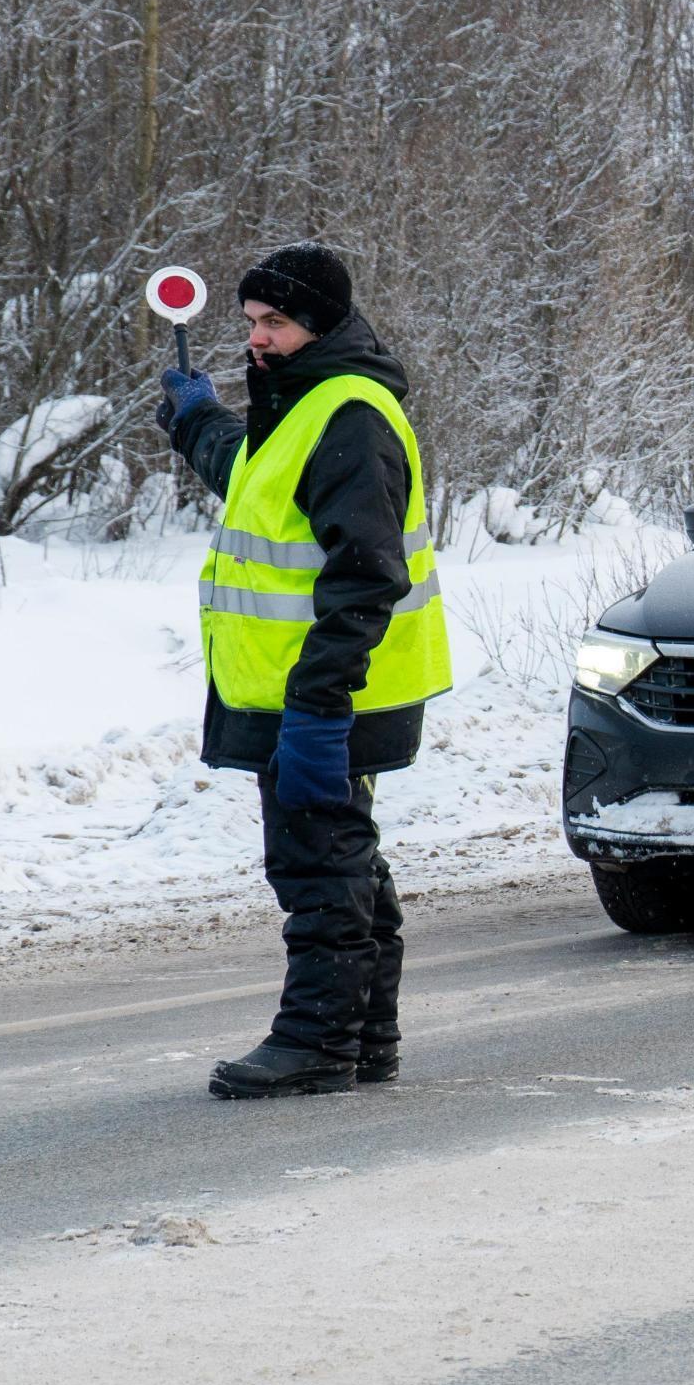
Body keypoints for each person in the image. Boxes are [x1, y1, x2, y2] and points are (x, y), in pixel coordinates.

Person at [156, 244, 450, 1099]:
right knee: (345, 858)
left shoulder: (349, 413)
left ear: (317, 325)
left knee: (318, 863)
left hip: (326, 692)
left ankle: (316, 1042)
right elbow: (258, 486)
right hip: (314, 689)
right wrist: (197, 420)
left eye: (274, 323)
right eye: (249, 322)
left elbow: (365, 574)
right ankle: (363, 1039)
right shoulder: (303, 402)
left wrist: (318, 706)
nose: (256, 339)